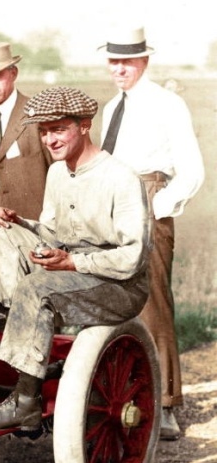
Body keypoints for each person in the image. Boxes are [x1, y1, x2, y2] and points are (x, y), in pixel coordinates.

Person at [0, 87, 150, 431]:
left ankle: (26, 403)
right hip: (73, 272)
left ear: (84, 125)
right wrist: (17, 222)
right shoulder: (58, 173)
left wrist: (73, 263)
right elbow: (50, 232)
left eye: (58, 129)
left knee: (37, 288)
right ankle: (18, 349)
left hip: (119, 286)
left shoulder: (120, 177)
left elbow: (132, 258)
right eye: (44, 131)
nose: (49, 139)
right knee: (1, 234)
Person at [98, 26, 204, 440]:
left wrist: (153, 208)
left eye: (127, 60)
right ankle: (124, 398)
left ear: (144, 61)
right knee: (113, 302)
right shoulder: (110, 109)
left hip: (149, 200)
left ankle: (166, 406)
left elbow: (191, 171)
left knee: (153, 303)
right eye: (113, 60)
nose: (119, 68)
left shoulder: (167, 104)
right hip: (112, 204)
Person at [0, 43, 51, 331]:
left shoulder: (37, 116)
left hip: (34, 234)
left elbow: (60, 175)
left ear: (13, 73)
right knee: (1, 313)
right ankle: (5, 373)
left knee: (38, 312)